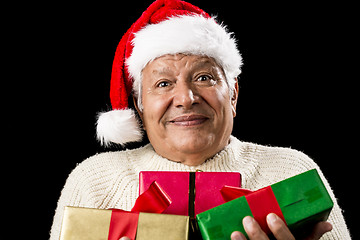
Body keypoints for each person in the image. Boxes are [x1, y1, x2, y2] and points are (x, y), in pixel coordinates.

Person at [50, 0, 351, 239]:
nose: (186, 98)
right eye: (164, 84)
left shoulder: (291, 172)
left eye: (204, 77)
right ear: (140, 106)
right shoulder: (94, 181)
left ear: (233, 94)